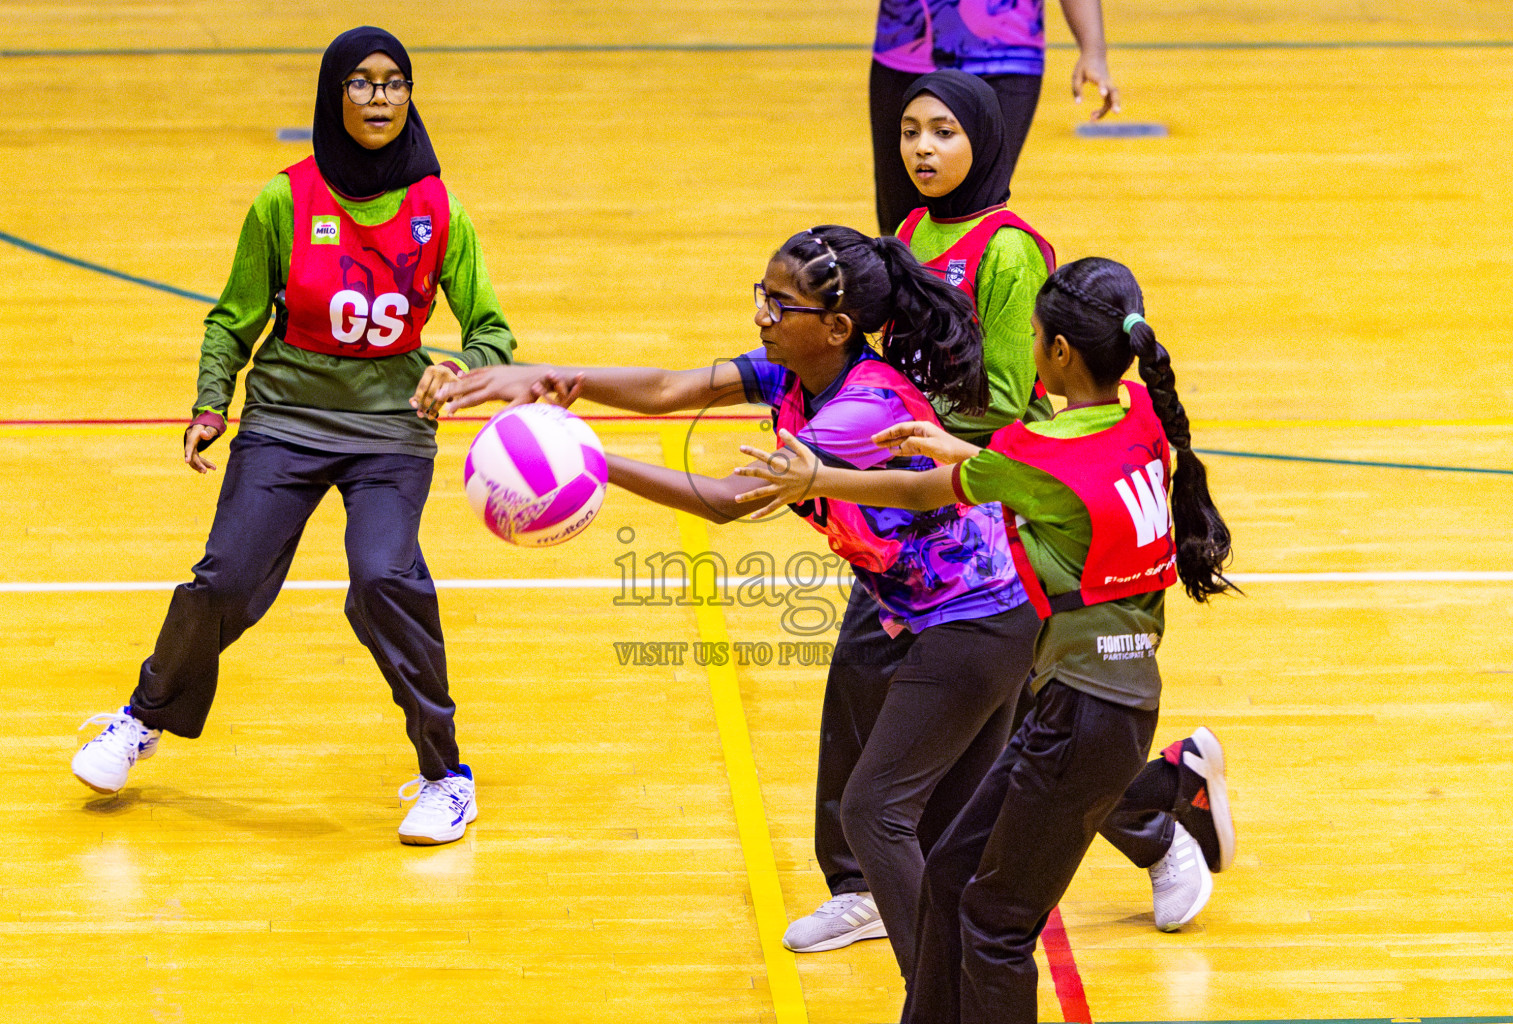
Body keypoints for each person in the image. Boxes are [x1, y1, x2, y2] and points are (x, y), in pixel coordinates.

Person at [440, 226, 1042, 987]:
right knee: (945, 840)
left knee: (874, 813)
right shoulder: (797, 372)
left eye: (777, 303)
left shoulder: (859, 412)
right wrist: (543, 379)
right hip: (967, 614)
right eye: (762, 296)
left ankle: (939, 1001)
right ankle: (962, 999)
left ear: (835, 327)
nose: (761, 315)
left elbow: (730, 501)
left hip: (977, 621)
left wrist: (581, 455)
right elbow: (669, 389)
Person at [785, 67, 1231, 954]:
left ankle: (1164, 814)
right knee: (871, 688)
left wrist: (878, 439)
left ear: (984, 141)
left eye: (943, 132)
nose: (922, 148)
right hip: (908, 512)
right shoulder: (910, 229)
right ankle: (864, 883)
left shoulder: (1010, 249)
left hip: (982, 516)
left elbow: (1005, 397)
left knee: (1023, 734)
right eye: (910, 130)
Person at [735, 256, 1237, 1022]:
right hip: (1097, 705)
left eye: (1034, 336)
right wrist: (962, 450)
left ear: (1059, 353)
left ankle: (1165, 808)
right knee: (947, 875)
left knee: (997, 927)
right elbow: (1044, 486)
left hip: (1081, 717)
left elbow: (913, 490)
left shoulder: (1040, 452)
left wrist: (819, 480)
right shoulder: (1136, 415)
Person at [70, 26, 515, 847]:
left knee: (384, 577)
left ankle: (446, 776)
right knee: (228, 579)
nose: (379, 99)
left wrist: (457, 370)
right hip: (284, 418)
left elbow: (492, 330)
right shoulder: (285, 199)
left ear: (411, 96)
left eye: (394, 83)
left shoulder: (440, 208)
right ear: (332, 94)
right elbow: (233, 318)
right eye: (361, 83)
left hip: (391, 429)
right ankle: (141, 719)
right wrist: (211, 405)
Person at [871, 0, 1121, 236]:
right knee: (900, 220)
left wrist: (1093, 50)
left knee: (974, 209)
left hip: (1005, 54)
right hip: (904, 47)